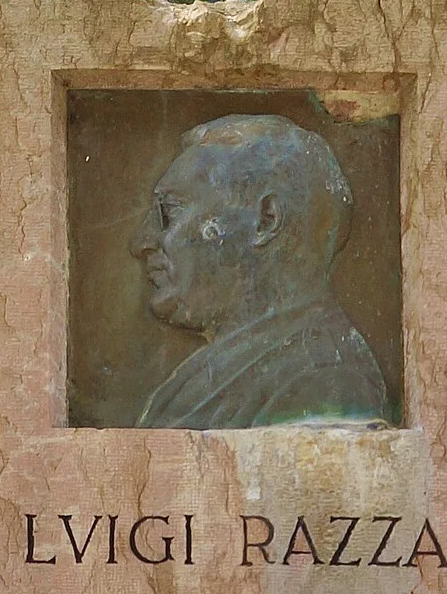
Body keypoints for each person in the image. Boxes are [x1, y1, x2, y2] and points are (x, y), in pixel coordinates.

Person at [132, 115, 391, 430]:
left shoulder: (324, 381)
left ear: (266, 220)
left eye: (169, 212)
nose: (141, 243)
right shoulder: (229, 367)